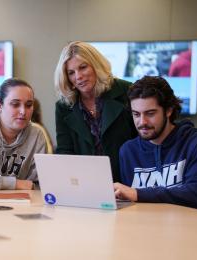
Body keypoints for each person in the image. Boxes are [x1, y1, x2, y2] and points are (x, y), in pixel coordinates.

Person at [114, 76, 197, 212]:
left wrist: (137, 193)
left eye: (150, 113)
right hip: (147, 229)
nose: (142, 122)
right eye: (136, 114)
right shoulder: (128, 151)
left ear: (169, 110)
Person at [54, 41, 137, 182]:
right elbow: (65, 152)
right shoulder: (64, 107)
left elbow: (141, 142)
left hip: (128, 181)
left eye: (83, 67)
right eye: (71, 73)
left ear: (96, 65)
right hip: (86, 184)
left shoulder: (127, 92)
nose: (78, 76)